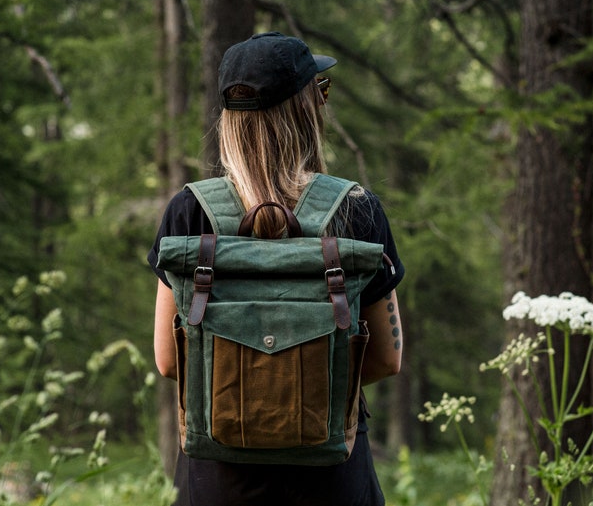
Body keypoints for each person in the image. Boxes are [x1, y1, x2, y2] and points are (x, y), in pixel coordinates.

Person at [147, 31, 405, 506]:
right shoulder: (356, 210)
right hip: (331, 473)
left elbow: (168, 359)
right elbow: (387, 358)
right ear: (307, 109)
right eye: (321, 91)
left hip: (218, 478)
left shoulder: (189, 212)